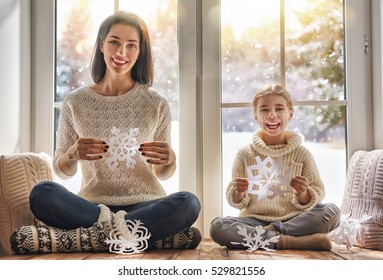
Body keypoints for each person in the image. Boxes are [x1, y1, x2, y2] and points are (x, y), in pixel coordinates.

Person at [10, 11, 201, 254]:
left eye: (131, 45)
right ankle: (136, 235)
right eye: (115, 42)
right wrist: (72, 154)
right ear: (102, 45)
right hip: (90, 206)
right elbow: (61, 170)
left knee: (188, 203)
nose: (122, 52)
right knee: (42, 193)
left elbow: (162, 173)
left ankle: (91, 237)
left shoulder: (156, 103)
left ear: (140, 51)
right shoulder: (75, 101)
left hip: (145, 204)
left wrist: (170, 160)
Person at [210, 84, 340, 251]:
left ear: (290, 114)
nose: (272, 115)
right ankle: (292, 242)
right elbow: (238, 202)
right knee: (218, 227)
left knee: (332, 212)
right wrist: (239, 191)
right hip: (254, 219)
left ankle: (269, 236)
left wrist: (302, 193)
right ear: (255, 116)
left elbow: (317, 194)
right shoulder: (245, 154)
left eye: (279, 109)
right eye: (264, 110)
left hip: (295, 220)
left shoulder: (302, 153)